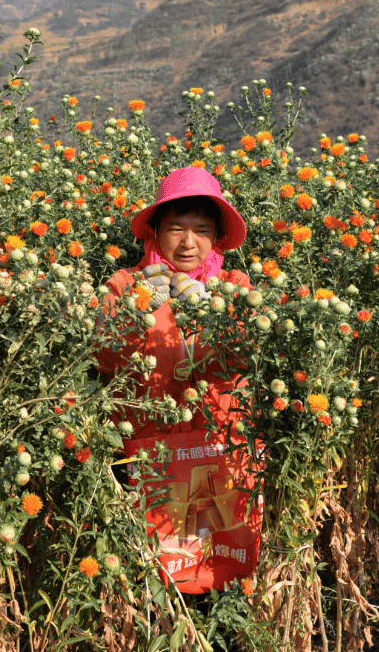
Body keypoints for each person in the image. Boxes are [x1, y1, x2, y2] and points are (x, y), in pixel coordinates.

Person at [95, 166, 262, 596]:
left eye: (202, 230)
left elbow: (249, 356)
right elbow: (106, 356)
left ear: (217, 238)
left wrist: (214, 313)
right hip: (150, 452)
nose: (189, 243)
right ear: (153, 231)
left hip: (220, 448)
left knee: (222, 566)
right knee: (154, 573)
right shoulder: (125, 285)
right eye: (176, 229)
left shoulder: (234, 286)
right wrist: (140, 310)